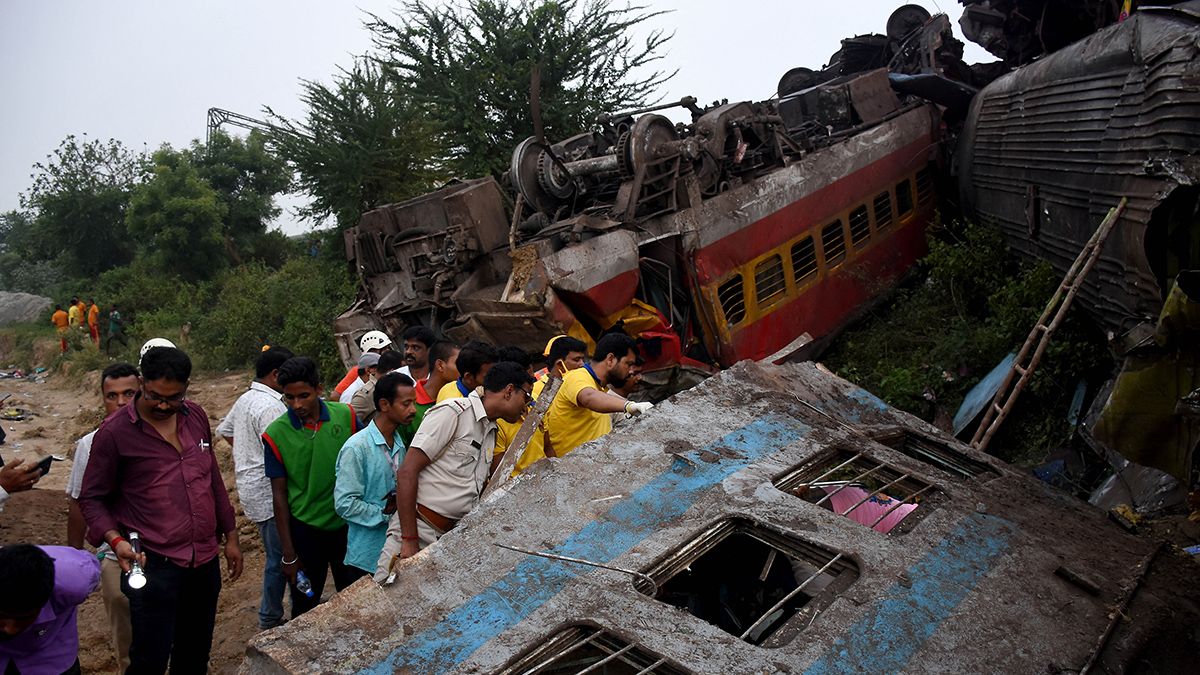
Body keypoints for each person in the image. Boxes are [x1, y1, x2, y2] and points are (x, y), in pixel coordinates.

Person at [78, 346, 242, 675]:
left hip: (203, 562)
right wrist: (115, 540)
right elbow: (91, 499)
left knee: (195, 654)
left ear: (187, 388)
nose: (164, 405)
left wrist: (232, 536)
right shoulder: (113, 434)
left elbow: (211, 480)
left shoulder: (195, 417)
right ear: (141, 382)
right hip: (153, 565)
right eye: (155, 396)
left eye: (174, 397)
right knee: (149, 659)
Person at [376, 362, 534, 575]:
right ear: (508, 391)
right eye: (526, 396)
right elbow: (407, 472)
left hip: (446, 539)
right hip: (419, 529)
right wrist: (409, 540)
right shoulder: (454, 413)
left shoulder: (491, 430)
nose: (527, 406)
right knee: (387, 598)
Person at [262, 357, 360, 618]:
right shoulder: (275, 434)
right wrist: (289, 553)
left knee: (356, 598)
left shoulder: (346, 416)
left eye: (303, 396)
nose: (297, 404)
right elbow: (279, 495)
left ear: (318, 389)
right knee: (305, 605)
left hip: (346, 526)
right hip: (305, 531)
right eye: (289, 398)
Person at [64, 362, 140, 671]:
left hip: (165, 549)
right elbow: (79, 502)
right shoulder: (89, 443)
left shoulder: (164, 435)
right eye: (112, 396)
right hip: (113, 552)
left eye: (129, 394)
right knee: (125, 637)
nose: (121, 402)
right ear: (102, 398)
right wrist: (72, 556)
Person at [214, 346, 293, 631]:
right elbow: (283, 451)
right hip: (269, 491)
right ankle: (270, 617)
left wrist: (247, 455)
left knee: (278, 553)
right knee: (282, 554)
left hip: (251, 487)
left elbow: (225, 430)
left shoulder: (247, 398)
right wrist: (260, 457)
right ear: (276, 375)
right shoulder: (271, 406)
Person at [334, 372, 417, 578]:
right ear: (384, 404)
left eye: (413, 403)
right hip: (367, 555)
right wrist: (384, 515)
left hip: (394, 548)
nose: (413, 410)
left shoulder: (399, 443)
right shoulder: (356, 447)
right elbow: (344, 503)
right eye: (406, 404)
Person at [542, 333, 652, 459]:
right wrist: (628, 405)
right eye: (628, 364)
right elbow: (588, 397)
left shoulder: (600, 387)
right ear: (610, 359)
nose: (631, 371)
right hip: (572, 472)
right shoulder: (577, 376)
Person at [0, 544, 100, 675]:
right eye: (2, 615)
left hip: (53, 658)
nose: (10, 629)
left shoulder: (74, 582)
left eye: (22, 618)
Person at [511, 335, 589, 476]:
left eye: (583, 359)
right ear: (559, 363)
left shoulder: (586, 385)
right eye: (577, 359)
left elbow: (546, 445)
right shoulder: (535, 393)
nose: (582, 364)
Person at [350, 350, 407, 425]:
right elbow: (350, 425)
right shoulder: (365, 395)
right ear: (392, 371)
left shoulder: (393, 387)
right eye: (403, 369)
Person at [333, 330, 392, 401]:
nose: (387, 352)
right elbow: (335, 396)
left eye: (388, 348)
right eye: (384, 349)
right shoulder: (357, 371)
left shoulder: (389, 367)